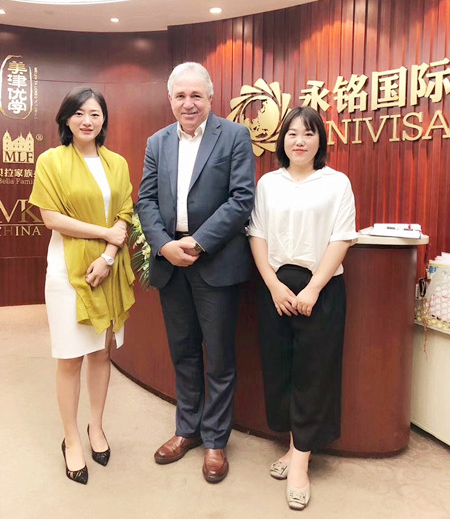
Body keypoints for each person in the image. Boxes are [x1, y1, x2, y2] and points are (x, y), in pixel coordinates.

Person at [136, 62, 255, 483]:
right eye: (181, 96)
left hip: (215, 261)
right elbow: (146, 201)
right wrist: (164, 245)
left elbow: (241, 199)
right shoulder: (157, 142)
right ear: (170, 99)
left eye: (196, 95)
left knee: (218, 357)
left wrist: (198, 242)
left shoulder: (234, 136)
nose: (189, 103)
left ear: (210, 97)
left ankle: (216, 441)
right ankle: (187, 429)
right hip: (171, 261)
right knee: (183, 352)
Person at [248, 106, 356, 510]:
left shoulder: (336, 183)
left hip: (320, 289)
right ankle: (294, 446)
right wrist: (273, 285)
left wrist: (313, 289)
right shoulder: (267, 184)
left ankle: (300, 463)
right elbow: (257, 235)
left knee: (314, 374)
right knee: (281, 371)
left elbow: (342, 238)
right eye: (292, 133)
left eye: (309, 134)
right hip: (275, 289)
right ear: (283, 140)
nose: (299, 141)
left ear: (320, 141)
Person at [29, 87, 135, 485]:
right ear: (66, 119)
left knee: (101, 354)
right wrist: (104, 233)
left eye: (95, 113)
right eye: (79, 113)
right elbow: (52, 218)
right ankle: (71, 438)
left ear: (104, 119)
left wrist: (107, 256)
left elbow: (125, 214)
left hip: (107, 266)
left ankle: (96, 426)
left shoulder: (117, 163)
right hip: (67, 270)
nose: (87, 120)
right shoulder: (51, 160)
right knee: (71, 357)